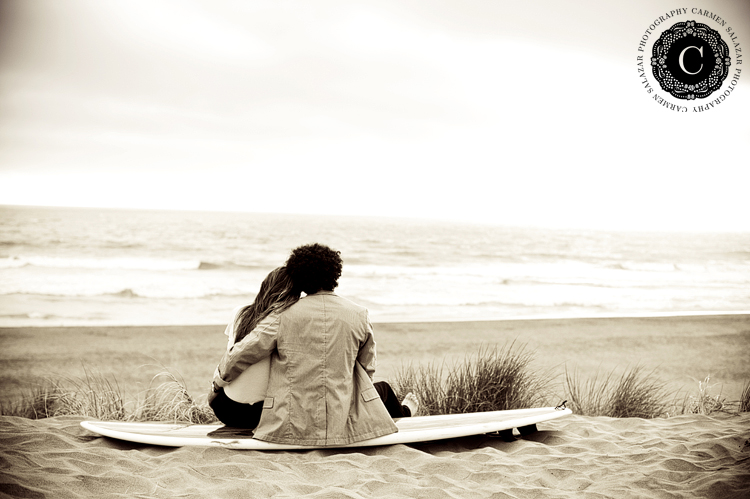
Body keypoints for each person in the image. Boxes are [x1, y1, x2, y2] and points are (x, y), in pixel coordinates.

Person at [211, 244, 417, 445]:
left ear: (299, 278)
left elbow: (241, 353)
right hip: (340, 411)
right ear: (335, 274)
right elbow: (366, 369)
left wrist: (218, 383)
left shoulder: (282, 315)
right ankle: (404, 413)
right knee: (384, 390)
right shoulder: (359, 314)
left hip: (293, 414)